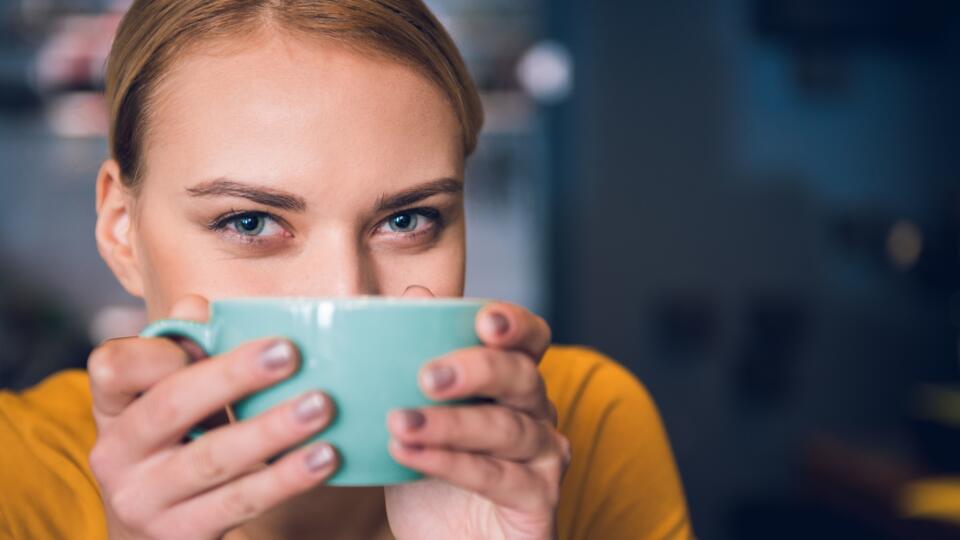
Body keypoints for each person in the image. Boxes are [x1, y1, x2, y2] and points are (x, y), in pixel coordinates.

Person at [0, 1, 693, 538]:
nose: (345, 296)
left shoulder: (587, 427)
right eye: (249, 222)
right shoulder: (17, 476)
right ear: (121, 232)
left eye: (406, 220)